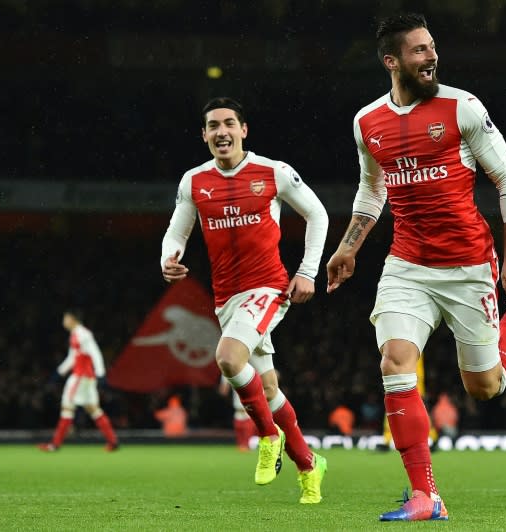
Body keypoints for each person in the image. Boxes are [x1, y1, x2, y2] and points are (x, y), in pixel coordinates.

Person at [325, 13, 506, 521]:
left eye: (432, 48)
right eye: (419, 51)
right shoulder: (367, 122)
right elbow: (371, 188)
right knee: (395, 361)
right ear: (392, 61)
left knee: (485, 387)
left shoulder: (462, 107)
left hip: (470, 264)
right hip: (406, 265)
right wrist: (349, 246)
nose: (431, 58)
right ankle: (426, 495)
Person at [161, 97, 329, 504]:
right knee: (269, 390)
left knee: (228, 358)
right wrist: (168, 256)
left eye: (229, 123)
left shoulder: (274, 172)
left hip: (268, 288)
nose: (222, 131)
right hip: (227, 300)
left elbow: (318, 215)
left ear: (243, 130)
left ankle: (268, 437)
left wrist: (307, 272)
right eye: (213, 126)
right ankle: (309, 465)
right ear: (204, 135)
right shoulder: (194, 182)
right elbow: (176, 232)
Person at [38, 310, 119, 452]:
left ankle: (54, 444)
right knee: (93, 409)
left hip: (80, 377)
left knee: (67, 407)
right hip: (87, 378)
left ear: (73, 319)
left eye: (65, 318)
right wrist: (59, 372)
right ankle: (113, 441)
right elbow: (72, 357)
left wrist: (101, 374)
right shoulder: (76, 334)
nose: (64, 321)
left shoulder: (83, 334)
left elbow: (95, 353)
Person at [219, 377, 258, 451]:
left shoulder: (253, 370)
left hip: (250, 411)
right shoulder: (230, 371)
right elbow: (223, 391)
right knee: (240, 445)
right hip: (238, 411)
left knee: (249, 444)